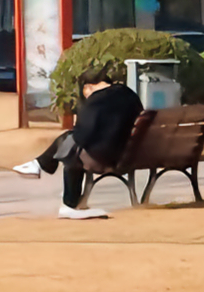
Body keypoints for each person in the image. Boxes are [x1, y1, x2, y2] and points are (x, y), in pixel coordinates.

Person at [11, 72, 143, 220]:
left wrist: (74, 135)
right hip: (125, 155)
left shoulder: (96, 101)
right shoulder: (129, 94)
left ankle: (68, 203)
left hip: (104, 158)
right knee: (70, 141)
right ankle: (40, 164)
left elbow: (83, 135)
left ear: (88, 87)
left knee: (71, 147)